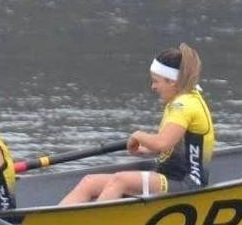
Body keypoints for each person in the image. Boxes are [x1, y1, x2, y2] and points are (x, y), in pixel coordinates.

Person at [60, 44, 213, 203]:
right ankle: (59, 217)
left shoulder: (183, 105)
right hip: (168, 176)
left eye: (156, 81)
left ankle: (95, 218)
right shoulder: (184, 99)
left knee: (120, 180)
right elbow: (172, 146)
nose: (153, 87)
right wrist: (145, 150)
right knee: (89, 182)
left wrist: (137, 135)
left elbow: (161, 143)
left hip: (187, 184)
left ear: (172, 81)